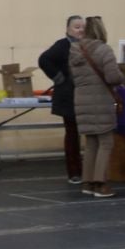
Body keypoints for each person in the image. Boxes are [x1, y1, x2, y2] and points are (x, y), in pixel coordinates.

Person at [69, 15, 124, 198]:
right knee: (106, 142)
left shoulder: (75, 50)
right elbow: (112, 77)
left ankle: (87, 182)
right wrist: (122, 77)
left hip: (81, 101)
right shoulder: (104, 50)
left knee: (91, 143)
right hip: (100, 101)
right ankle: (100, 184)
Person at [38, 17, 84, 185]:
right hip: (67, 96)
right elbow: (43, 60)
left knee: (83, 134)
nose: (80, 30)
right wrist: (59, 78)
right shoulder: (62, 45)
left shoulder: (86, 45)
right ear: (68, 29)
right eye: (77, 27)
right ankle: (74, 172)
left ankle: (86, 169)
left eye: (82, 27)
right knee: (72, 134)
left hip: (82, 95)